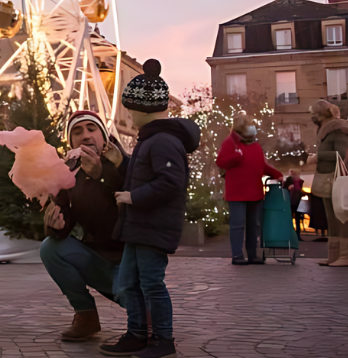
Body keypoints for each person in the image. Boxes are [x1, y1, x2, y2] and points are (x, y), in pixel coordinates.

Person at [99, 60, 200, 358]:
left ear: (143, 109)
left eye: (130, 109)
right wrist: (122, 164)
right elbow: (149, 175)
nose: (129, 115)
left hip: (152, 227)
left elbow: (171, 182)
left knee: (151, 283)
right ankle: (137, 334)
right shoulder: (151, 141)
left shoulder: (163, 141)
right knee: (129, 283)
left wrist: (134, 197)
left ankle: (162, 340)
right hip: (139, 227)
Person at [40, 110, 126, 342]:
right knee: (50, 248)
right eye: (77, 132)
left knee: (130, 295)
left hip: (132, 261)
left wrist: (102, 174)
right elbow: (65, 224)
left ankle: (145, 317)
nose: (86, 136)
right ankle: (85, 315)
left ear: (104, 136)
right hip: (99, 260)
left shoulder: (126, 163)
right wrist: (56, 225)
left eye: (92, 129)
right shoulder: (70, 174)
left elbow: (137, 207)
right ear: (71, 142)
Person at [215, 113, 283, 265]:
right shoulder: (230, 143)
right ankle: (237, 256)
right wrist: (235, 157)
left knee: (254, 226)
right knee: (238, 225)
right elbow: (220, 162)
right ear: (241, 129)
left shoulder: (255, 145)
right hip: (237, 192)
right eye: (249, 125)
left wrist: (276, 173)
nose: (253, 128)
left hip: (254, 191)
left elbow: (261, 165)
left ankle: (253, 255)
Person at [307, 100, 348, 267]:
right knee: (331, 218)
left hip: (338, 178)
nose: (313, 117)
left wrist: (318, 157)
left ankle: (345, 255)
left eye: (315, 113)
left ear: (323, 114)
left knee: (341, 216)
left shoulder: (338, 130)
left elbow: (340, 155)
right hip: (326, 177)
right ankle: (334, 256)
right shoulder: (324, 130)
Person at [284, 169, 305, 241]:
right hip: (294, 201)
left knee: (291, 219)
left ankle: (293, 235)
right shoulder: (296, 181)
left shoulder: (299, 181)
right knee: (296, 219)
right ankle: (295, 235)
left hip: (293, 202)